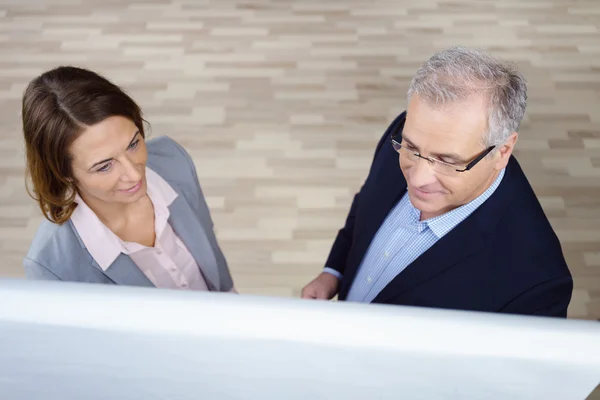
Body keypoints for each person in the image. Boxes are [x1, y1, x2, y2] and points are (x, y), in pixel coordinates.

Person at [301, 46, 573, 317]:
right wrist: (332, 272)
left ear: (502, 151)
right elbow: (366, 203)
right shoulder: (407, 133)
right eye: (411, 147)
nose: (416, 179)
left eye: (447, 160)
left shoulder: (536, 284)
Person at [22, 66, 236, 293]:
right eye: (104, 166)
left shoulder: (174, 162)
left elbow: (210, 248)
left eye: (133, 144)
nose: (135, 174)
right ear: (62, 172)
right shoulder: (51, 267)